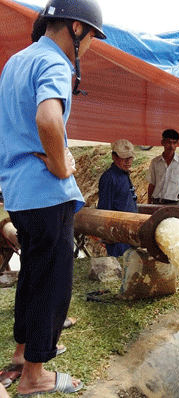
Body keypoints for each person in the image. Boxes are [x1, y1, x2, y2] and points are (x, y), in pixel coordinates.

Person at [0, 0, 106, 396]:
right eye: (93, 35)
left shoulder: (16, 61)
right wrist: (62, 166)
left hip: (18, 192)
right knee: (53, 281)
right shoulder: (57, 62)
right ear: (77, 30)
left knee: (33, 273)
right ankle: (34, 376)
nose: (93, 43)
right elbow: (47, 118)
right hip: (46, 192)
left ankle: (21, 353)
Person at [97, 139, 138, 257]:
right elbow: (104, 207)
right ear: (113, 157)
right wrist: (108, 235)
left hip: (129, 232)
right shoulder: (109, 178)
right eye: (124, 158)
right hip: (117, 234)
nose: (128, 161)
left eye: (130, 158)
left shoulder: (124, 174)